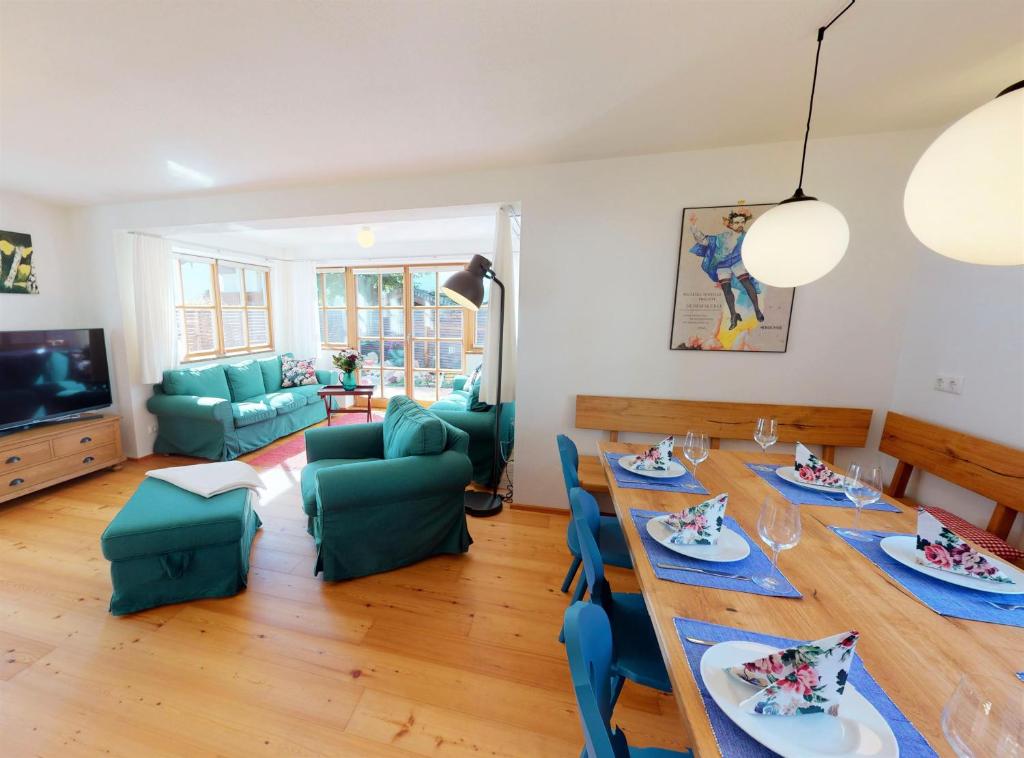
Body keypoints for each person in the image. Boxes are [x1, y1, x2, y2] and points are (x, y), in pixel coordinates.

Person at [689, 209, 765, 330]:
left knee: (747, 283)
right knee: (726, 290)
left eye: (742, 222)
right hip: (722, 265)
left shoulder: (747, 237)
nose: (740, 225)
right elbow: (704, 241)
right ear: (730, 224)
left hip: (737, 262)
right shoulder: (722, 236)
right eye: (736, 222)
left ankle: (757, 310)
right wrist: (693, 226)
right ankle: (733, 315)